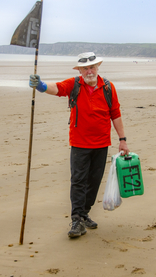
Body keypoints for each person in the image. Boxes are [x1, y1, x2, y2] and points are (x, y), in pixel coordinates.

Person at [29, 52, 129, 238]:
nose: (89, 71)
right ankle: (76, 220)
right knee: (78, 181)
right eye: (85, 68)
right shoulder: (74, 84)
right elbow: (57, 88)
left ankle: (84, 214)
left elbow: (115, 113)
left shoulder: (108, 87)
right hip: (79, 143)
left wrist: (122, 140)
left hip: (101, 143)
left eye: (92, 67)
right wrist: (40, 86)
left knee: (94, 181)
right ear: (80, 70)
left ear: (98, 68)